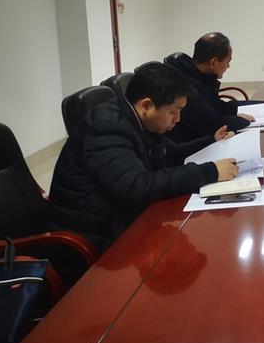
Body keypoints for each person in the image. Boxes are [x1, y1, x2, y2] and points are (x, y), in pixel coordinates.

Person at [48, 62, 239, 252]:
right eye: (174, 112)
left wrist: (211, 141)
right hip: (95, 239)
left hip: (122, 220)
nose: (178, 119)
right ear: (147, 105)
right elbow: (136, 187)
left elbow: (171, 153)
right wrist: (210, 172)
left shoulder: (138, 119)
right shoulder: (107, 127)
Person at [166, 32, 262, 142]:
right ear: (214, 62)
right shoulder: (186, 85)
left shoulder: (202, 78)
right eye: (228, 61)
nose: (228, 66)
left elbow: (220, 106)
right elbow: (214, 124)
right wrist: (242, 120)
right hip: (189, 146)